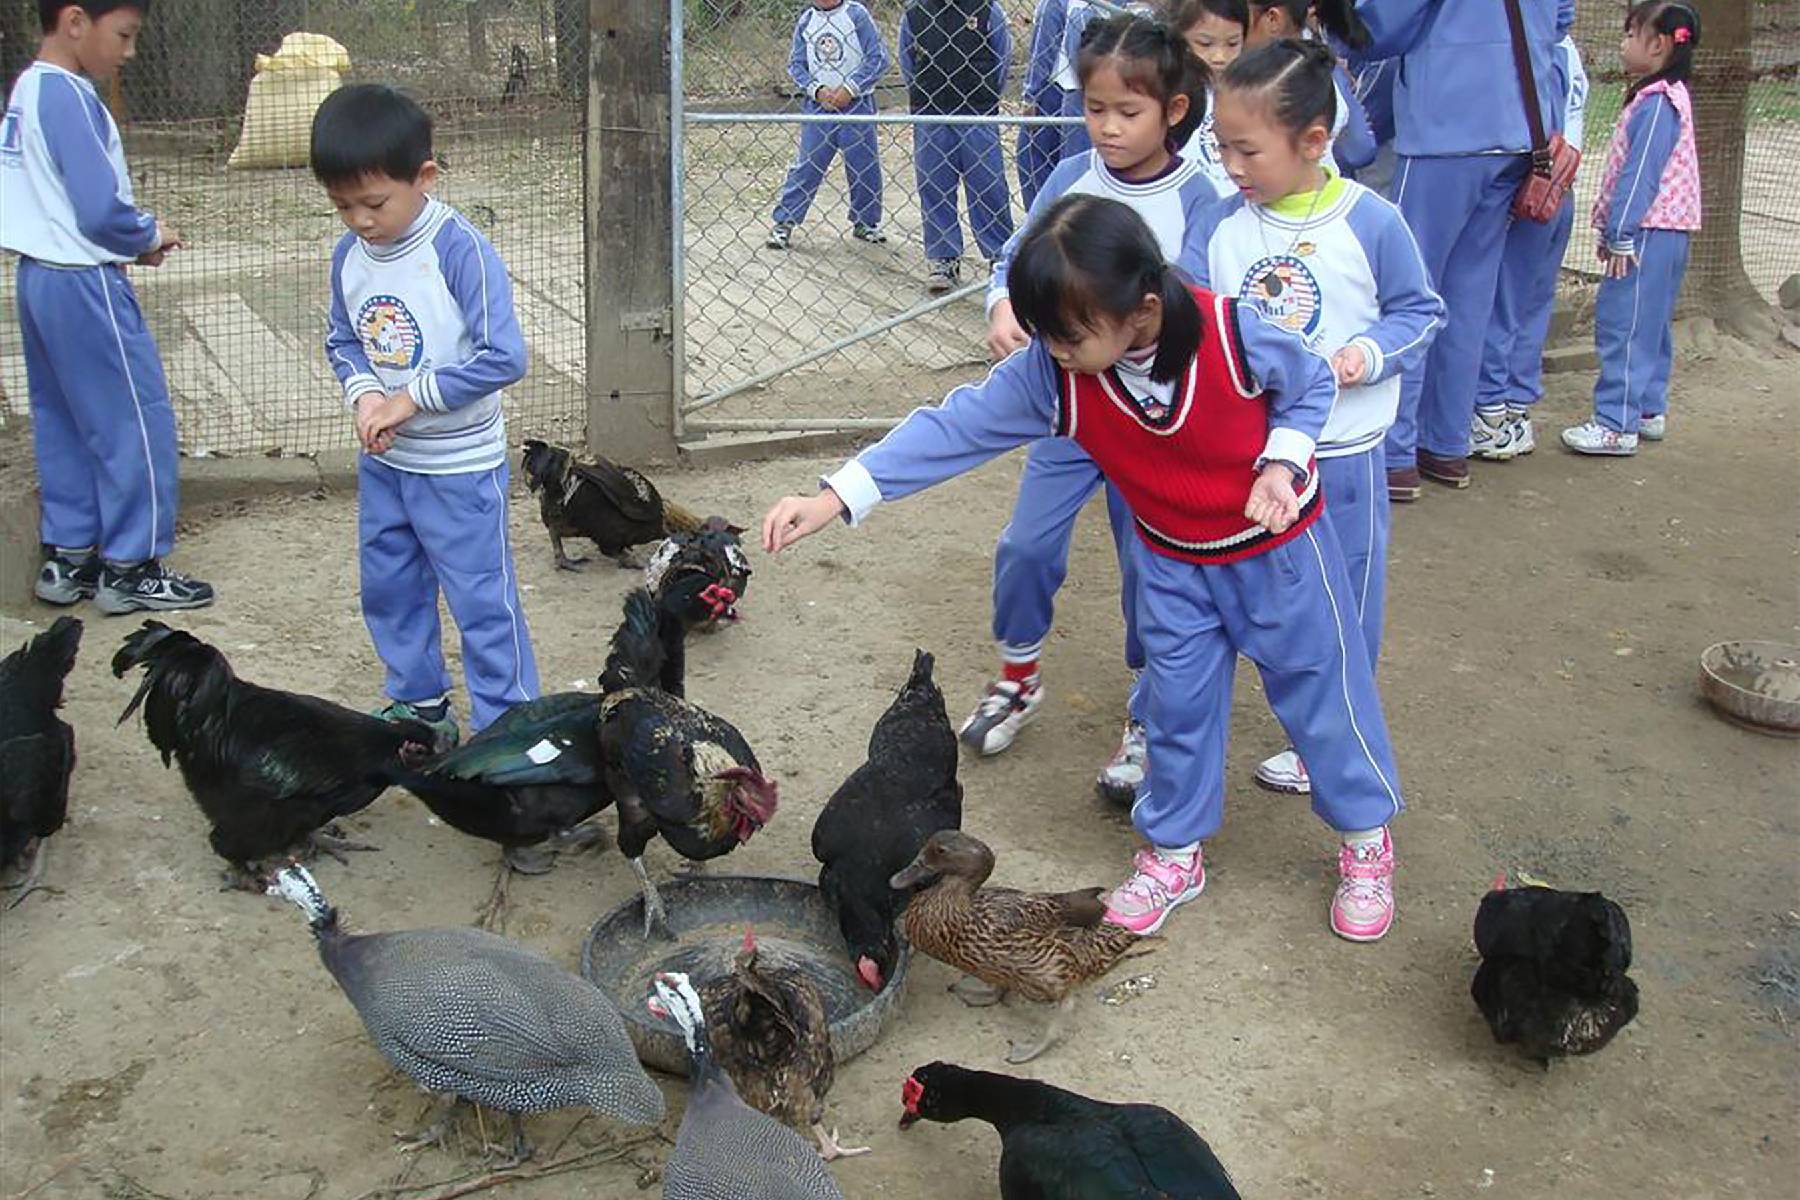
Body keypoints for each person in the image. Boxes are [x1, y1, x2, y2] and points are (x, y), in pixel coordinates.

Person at [764, 195, 1404, 943]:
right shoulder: (1056, 373)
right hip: (1172, 564)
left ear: (1142, 309)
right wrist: (837, 495)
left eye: (1068, 334)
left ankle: (1366, 840)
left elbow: (1310, 384)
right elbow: (959, 425)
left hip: (1277, 555)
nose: (1052, 350)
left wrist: (1284, 462)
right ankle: (1173, 852)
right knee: (1176, 709)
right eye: (1044, 334)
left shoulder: (1232, 332)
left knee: (1323, 694)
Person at [1182, 37, 1441, 795]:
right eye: (1221, 147)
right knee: (1262, 595)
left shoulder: (1371, 222)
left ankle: (1335, 740)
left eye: (1248, 151)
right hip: (1254, 458)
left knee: (1347, 601)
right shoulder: (1222, 227)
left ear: (1314, 141)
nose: (1230, 167)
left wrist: (1367, 353)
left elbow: (1419, 312)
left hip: (1345, 453)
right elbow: (1197, 322)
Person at [975, 14, 1218, 809]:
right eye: (1094, 108)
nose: (1108, 127)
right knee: (1025, 545)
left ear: (1173, 110)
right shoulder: (1071, 178)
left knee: (1151, 567)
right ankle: (1018, 676)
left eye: (1128, 111)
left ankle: (1147, 714)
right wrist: (1000, 306)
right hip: (1073, 410)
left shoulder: (1202, 199)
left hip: (1156, 425)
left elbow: (1210, 311)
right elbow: (1019, 257)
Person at [311, 84, 540, 749]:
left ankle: (507, 731)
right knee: (390, 587)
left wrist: (411, 398)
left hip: (460, 468)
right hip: (388, 464)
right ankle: (419, 706)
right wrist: (364, 398)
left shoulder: (457, 249)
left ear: (425, 177)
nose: (359, 220)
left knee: (481, 603)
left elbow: (506, 356)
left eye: (374, 202)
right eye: (341, 205)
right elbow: (343, 339)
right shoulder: (349, 257)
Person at [2, 0, 214, 613]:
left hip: (37, 277)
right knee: (134, 419)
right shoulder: (68, 94)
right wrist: (148, 234)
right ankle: (132, 564)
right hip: (86, 283)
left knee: (63, 417)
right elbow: (98, 210)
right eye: (122, 35)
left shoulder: (26, 89)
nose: (129, 52)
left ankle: (70, 558)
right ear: (75, 22)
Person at [1355, 0, 1573, 500]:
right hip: (1521, 131)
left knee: (1406, 290)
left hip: (1446, 125)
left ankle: (1395, 453)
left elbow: (1380, 26)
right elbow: (1560, 20)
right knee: (1470, 295)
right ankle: (1446, 444)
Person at [1564, 2, 1702, 457]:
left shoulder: (1657, 103)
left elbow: (1639, 174)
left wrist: (1619, 230)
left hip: (1644, 234)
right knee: (1652, 322)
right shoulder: (1670, 96)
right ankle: (1647, 408)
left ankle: (1614, 423)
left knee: (1623, 323)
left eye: (1629, 34)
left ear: (1658, 44)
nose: (1623, 43)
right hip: (1668, 234)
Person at [1472, 34, 1588, 462]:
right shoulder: (1568, 49)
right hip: (1561, 191)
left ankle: (1489, 415)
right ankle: (1516, 413)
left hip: (1530, 193)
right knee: (1532, 305)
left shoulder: (1538, 47)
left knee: (1503, 303)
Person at [899, 0, 1015, 293]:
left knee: (988, 185)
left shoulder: (988, 10)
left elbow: (1002, 58)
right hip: (932, 114)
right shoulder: (915, 13)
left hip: (976, 115)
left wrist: (984, 96)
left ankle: (998, 255)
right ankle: (943, 258)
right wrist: (924, 98)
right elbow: (907, 63)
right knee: (934, 185)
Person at [767, 0, 892, 250]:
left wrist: (850, 88)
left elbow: (877, 58)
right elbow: (796, 65)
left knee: (863, 164)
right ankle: (784, 221)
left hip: (857, 104)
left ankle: (865, 221)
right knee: (808, 164)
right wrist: (817, 90)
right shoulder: (806, 21)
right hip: (819, 106)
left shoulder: (856, 15)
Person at [1242, 0, 1375, 177]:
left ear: (1273, 19)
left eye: (1239, 16)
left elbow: (1358, 148)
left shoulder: (1308, 71)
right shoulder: (1323, 59)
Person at [1166, 0, 1249, 200]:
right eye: (1205, 44)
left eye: (1232, 43)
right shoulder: (1170, 92)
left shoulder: (1252, 92)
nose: (1220, 56)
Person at [1017, 0, 1071, 209]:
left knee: (1033, 160)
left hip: (1052, 88)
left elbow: (1044, 50)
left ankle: (1039, 224)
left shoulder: (1054, 4)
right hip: (1080, 87)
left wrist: (1031, 95)